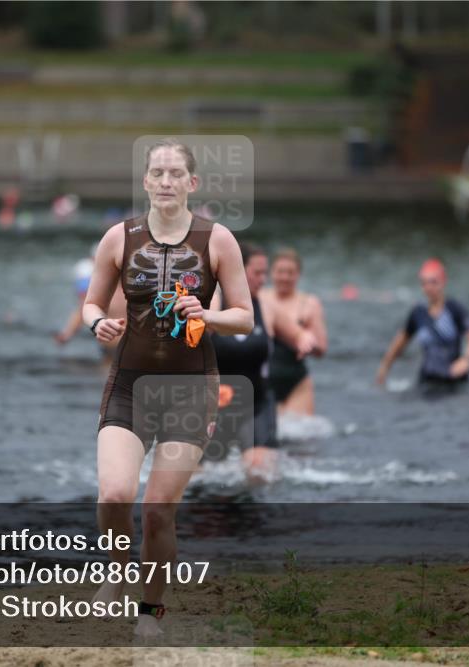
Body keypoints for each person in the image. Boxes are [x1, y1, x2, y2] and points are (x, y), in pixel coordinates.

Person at [82, 139, 252, 637]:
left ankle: (150, 609)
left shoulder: (218, 240)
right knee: (114, 494)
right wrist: (97, 325)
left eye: (175, 173)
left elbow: (244, 318)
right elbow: (90, 305)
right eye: (157, 173)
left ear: (192, 183)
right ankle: (116, 571)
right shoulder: (119, 237)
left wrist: (208, 315)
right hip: (129, 383)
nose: (165, 182)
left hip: (191, 388)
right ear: (145, 182)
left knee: (158, 511)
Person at [206, 242, 316, 482]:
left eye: (265, 273)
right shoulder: (214, 301)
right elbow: (199, 327)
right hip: (214, 408)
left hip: (256, 404)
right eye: (257, 273)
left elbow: (297, 334)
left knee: (259, 473)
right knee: (199, 478)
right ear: (237, 271)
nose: (263, 279)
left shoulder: (266, 307)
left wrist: (305, 339)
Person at [376, 258, 469, 389]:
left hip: (453, 378)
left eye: (433, 282)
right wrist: (384, 368)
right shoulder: (418, 313)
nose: (429, 287)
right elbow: (400, 342)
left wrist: (466, 359)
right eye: (424, 283)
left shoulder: (455, 309)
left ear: (443, 282)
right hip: (428, 378)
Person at [260, 248, 327, 415]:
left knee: (301, 435)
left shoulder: (309, 303)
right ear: (271, 273)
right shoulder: (260, 298)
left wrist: (309, 344)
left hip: (296, 381)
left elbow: (322, 349)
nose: (285, 277)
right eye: (280, 272)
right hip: (263, 378)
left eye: (290, 272)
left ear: (298, 275)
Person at [55, 249, 126, 368]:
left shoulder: (132, 291)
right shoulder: (106, 291)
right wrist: (67, 334)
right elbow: (82, 312)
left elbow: (81, 312)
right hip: (114, 350)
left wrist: (66, 335)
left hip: (122, 350)